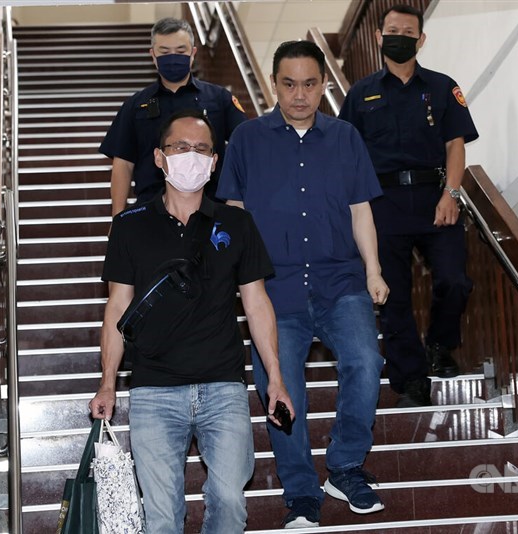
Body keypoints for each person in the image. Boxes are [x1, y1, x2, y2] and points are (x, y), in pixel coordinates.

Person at [89, 109, 294, 533]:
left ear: (215, 161)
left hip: (223, 387)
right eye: (180, 147)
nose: (191, 156)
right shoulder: (129, 227)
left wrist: (275, 377)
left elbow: (257, 305)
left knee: (230, 503)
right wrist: (108, 380)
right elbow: (116, 308)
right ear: (159, 159)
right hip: (154, 391)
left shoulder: (236, 223)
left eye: (201, 149)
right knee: (161, 517)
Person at [217, 40, 389, 529]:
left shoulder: (346, 137)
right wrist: (240, 277)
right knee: (282, 388)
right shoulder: (247, 139)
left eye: (310, 84)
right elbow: (235, 211)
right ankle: (301, 494)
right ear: (274, 84)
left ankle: (345, 465)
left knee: (365, 360)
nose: (299, 94)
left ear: (324, 85)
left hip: (341, 281)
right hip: (276, 289)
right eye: (289, 84)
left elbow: (361, 209)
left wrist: (373, 270)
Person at [339, 4, 479, 408]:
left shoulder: (442, 86)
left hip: (436, 196)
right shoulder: (360, 93)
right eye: (392, 30)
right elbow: (345, 156)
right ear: (380, 38)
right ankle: (411, 378)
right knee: (393, 296)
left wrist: (451, 194)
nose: (400, 36)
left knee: (455, 280)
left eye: (408, 31)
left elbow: (456, 144)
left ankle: (440, 345)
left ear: (421, 39)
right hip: (382, 204)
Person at [100, 17, 247, 215]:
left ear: (193, 53)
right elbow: (123, 164)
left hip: (210, 209)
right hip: (150, 211)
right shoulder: (135, 105)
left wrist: (234, 198)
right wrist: (118, 215)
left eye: (180, 51)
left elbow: (245, 147)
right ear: (153, 55)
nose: (173, 57)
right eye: (164, 52)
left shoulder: (219, 99)